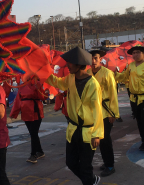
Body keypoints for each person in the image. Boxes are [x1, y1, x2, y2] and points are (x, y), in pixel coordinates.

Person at [46, 47, 104, 185]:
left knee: (85, 167)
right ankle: (91, 180)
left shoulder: (93, 84)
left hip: (88, 131)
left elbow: (97, 111)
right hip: (73, 129)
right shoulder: (70, 78)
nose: (67, 65)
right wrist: (43, 74)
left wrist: (97, 134)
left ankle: (89, 181)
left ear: (79, 64)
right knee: (70, 162)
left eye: (70, 63)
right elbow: (58, 83)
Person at [87, 49, 120, 177]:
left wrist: (114, 113)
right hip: (91, 112)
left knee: (105, 139)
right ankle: (106, 162)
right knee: (96, 139)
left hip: (106, 111)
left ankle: (110, 165)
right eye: (91, 58)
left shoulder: (107, 73)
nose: (93, 61)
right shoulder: (87, 73)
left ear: (100, 59)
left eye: (96, 58)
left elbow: (113, 94)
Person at [10, 80, 48, 164]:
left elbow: (43, 97)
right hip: (26, 112)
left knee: (33, 133)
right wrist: (13, 113)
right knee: (33, 134)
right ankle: (40, 152)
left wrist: (40, 89)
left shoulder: (36, 83)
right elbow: (18, 100)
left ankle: (33, 155)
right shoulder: (21, 86)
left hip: (35, 111)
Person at [115, 45, 144, 151]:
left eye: (137, 52)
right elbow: (124, 76)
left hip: (143, 98)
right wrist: (114, 74)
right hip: (134, 99)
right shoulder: (131, 65)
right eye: (133, 53)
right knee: (139, 121)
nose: (135, 55)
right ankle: (143, 141)